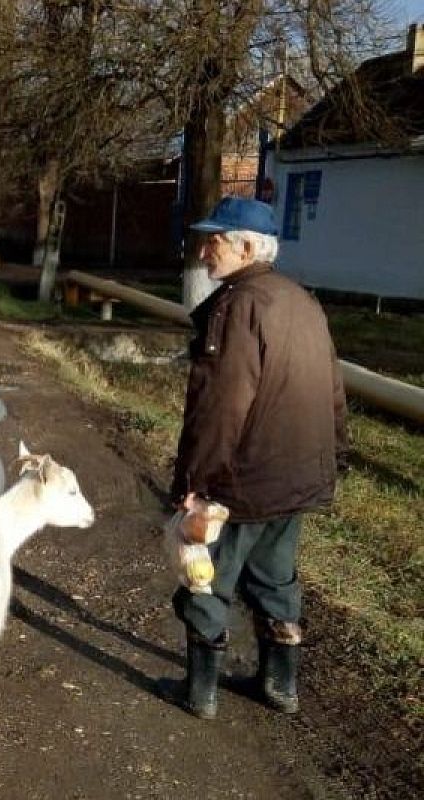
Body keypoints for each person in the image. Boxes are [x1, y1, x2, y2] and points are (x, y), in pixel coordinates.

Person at [168, 196, 347, 720]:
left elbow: (220, 407)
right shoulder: (302, 300)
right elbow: (333, 387)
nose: (204, 251)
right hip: (297, 478)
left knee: (204, 577)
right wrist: (334, 455)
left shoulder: (236, 305)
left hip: (241, 483)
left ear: (246, 247)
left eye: (215, 241)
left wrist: (196, 484)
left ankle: (199, 694)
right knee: (275, 578)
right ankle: (279, 685)